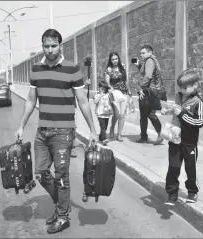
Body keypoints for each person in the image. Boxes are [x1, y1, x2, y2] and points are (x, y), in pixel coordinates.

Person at [15, 29, 98, 234]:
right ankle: (63, 204)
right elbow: (31, 100)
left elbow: (83, 102)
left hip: (64, 131)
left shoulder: (72, 69)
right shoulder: (36, 69)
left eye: (54, 45)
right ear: (42, 46)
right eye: (46, 46)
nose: (50, 49)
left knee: (61, 175)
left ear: (61, 46)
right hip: (42, 130)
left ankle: (63, 216)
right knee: (41, 173)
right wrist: (21, 126)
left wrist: (93, 131)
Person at [164, 69, 203, 205]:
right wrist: (169, 110)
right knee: (173, 167)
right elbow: (176, 107)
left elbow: (199, 122)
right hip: (175, 139)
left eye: (184, 88)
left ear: (195, 85)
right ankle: (172, 193)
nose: (181, 90)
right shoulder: (179, 96)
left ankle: (192, 192)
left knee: (190, 168)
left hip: (189, 142)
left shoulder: (198, 102)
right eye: (180, 88)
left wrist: (182, 114)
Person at [133, 45, 164, 145]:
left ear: (150, 52)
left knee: (145, 115)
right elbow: (145, 73)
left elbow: (148, 76)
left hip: (149, 91)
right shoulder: (151, 61)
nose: (141, 55)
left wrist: (141, 87)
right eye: (141, 53)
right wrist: (139, 66)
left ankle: (145, 137)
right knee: (149, 114)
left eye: (144, 53)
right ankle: (156, 134)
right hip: (152, 91)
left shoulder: (149, 61)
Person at [104, 52, 132, 141]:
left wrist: (130, 92)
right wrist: (111, 89)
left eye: (116, 59)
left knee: (122, 115)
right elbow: (107, 83)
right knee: (117, 114)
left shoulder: (122, 67)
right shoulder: (108, 69)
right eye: (113, 59)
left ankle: (119, 134)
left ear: (118, 59)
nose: (115, 61)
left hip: (124, 92)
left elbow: (126, 80)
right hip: (115, 93)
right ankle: (112, 128)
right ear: (110, 60)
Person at [93, 80, 113, 145]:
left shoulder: (108, 95)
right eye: (100, 87)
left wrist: (110, 93)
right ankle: (104, 139)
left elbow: (113, 100)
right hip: (100, 114)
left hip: (107, 114)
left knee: (105, 127)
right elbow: (95, 101)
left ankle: (101, 137)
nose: (102, 89)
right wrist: (100, 95)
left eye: (103, 88)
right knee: (103, 126)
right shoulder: (97, 95)